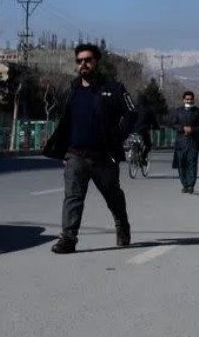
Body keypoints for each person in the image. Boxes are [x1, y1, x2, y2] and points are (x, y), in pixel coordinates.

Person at [42, 43, 137, 254]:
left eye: (88, 60)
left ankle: (122, 226)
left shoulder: (113, 88)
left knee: (113, 196)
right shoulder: (72, 90)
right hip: (76, 155)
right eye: (79, 61)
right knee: (73, 198)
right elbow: (66, 122)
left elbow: (132, 114)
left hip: (103, 156)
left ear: (96, 62)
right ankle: (68, 238)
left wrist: (117, 138)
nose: (83, 64)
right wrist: (62, 151)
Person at [171, 91, 199, 194]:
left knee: (192, 163)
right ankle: (184, 184)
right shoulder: (178, 111)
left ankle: (191, 185)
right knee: (181, 163)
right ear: (183, 100)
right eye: (187, 99)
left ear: (193, 99)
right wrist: (183, 129)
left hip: (193, 142)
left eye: (191, 99)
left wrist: (192, 129)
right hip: (181, 142)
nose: (189, 101)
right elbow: (173, 124)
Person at [131, 94, 160, 165]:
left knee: (135, 142)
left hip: (132, 130)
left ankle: (134, 155)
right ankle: (143, 159)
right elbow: (153, 121)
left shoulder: (134, 108)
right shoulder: (148, 110)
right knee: (148, 145)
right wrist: (156, 127)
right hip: (143, 130)